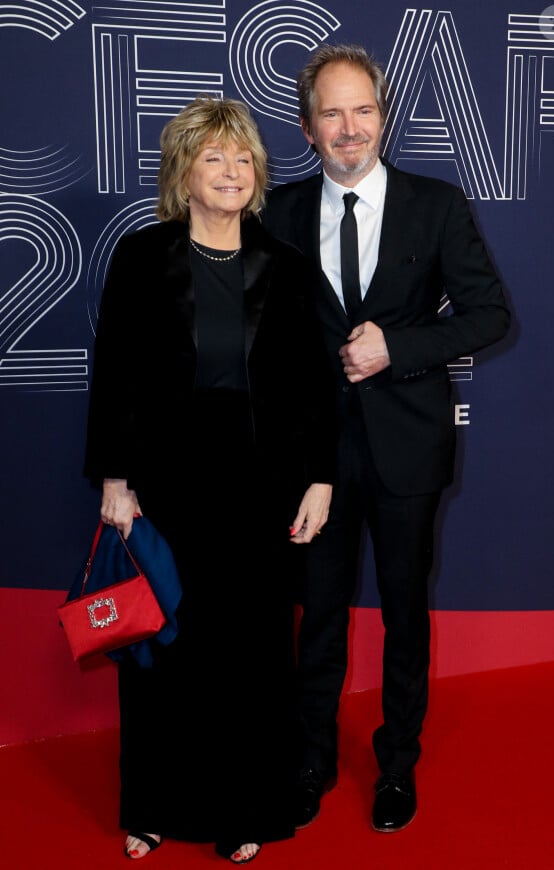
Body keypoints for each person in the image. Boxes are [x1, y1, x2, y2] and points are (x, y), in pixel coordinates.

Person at [263, 43, 511, 834]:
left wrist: (396, 347)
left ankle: (397, 764)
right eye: (331, 113)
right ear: (307, 128)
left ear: (383, 115)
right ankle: (311, 761)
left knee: (406, 612)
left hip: (408, 448)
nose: (349, 128)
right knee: (319, 615)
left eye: (362, 110)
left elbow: (489, 313)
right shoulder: (279, 213)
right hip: (313, 459)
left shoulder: (435, 204)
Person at [83, 95, 336, 863]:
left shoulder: (286, 265)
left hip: (261, 487)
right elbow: (115, 374)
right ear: (185, 172)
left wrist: (320, 481)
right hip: (167, 483)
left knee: (253, 655)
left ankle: (242, 807)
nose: (232, 170)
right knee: (166, 649)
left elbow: (315, 385)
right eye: (214, 157)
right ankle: (155, 804)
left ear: (258, 172)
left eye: (243, 157)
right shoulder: (140, 256)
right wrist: (115, 479)